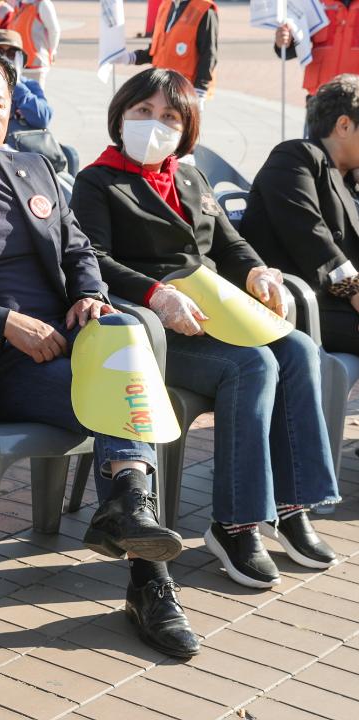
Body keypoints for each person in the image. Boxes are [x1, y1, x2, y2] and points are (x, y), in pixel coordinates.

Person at [0, 42, 196, 658]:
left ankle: (127, 512)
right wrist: (6, 323)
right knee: (131, 397)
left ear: (11, 111)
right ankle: (147, 572)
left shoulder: (32, 171)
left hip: (71, 345)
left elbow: (79, 249)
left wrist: (88, 295)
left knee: (129, 354)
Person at [69, 68, 341, 589]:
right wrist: (157, 294)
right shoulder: (98, 181)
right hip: (156, 328)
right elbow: (92, 257)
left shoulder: (189, 178)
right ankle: (235, 523)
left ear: (187, 126)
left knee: (300, 350)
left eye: (169, 116)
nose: (155, 124)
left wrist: (258, 269)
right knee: (253, 365)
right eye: (143, 112)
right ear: (121, 115)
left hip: (215, 313)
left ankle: (290, 504)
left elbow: (227, 243)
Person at [242, 74, 359, 355]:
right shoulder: (296, 156)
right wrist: (354, 290)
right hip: (301, 301)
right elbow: (309, 234)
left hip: (338, 304)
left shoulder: (349, 177)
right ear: (344, 125)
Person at [115, 0, 218, 108]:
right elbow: (157, 50)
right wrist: (130, 58)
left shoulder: (204, 9)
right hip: (159, 89)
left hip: (184, 92)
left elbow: (208, 55)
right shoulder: (166, 5)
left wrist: (200, 92)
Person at [275, 2, 359, 99]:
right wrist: (285, 41)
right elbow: (292, 49)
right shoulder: (314, 4)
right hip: (319, 98)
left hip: (356, 98)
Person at [0, 29, 51, 140]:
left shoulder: (30, 85)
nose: (5, 58)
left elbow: (42, 119)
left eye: (12, 54)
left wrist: (15, 83)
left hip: (19, 150)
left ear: (20, 59)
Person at [8, 0, 59, 89]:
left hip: (36, 63)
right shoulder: (18, 4)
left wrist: (52, 50)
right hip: (18, 61)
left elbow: (54, 30)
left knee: (35, 98)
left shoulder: (42, 4)